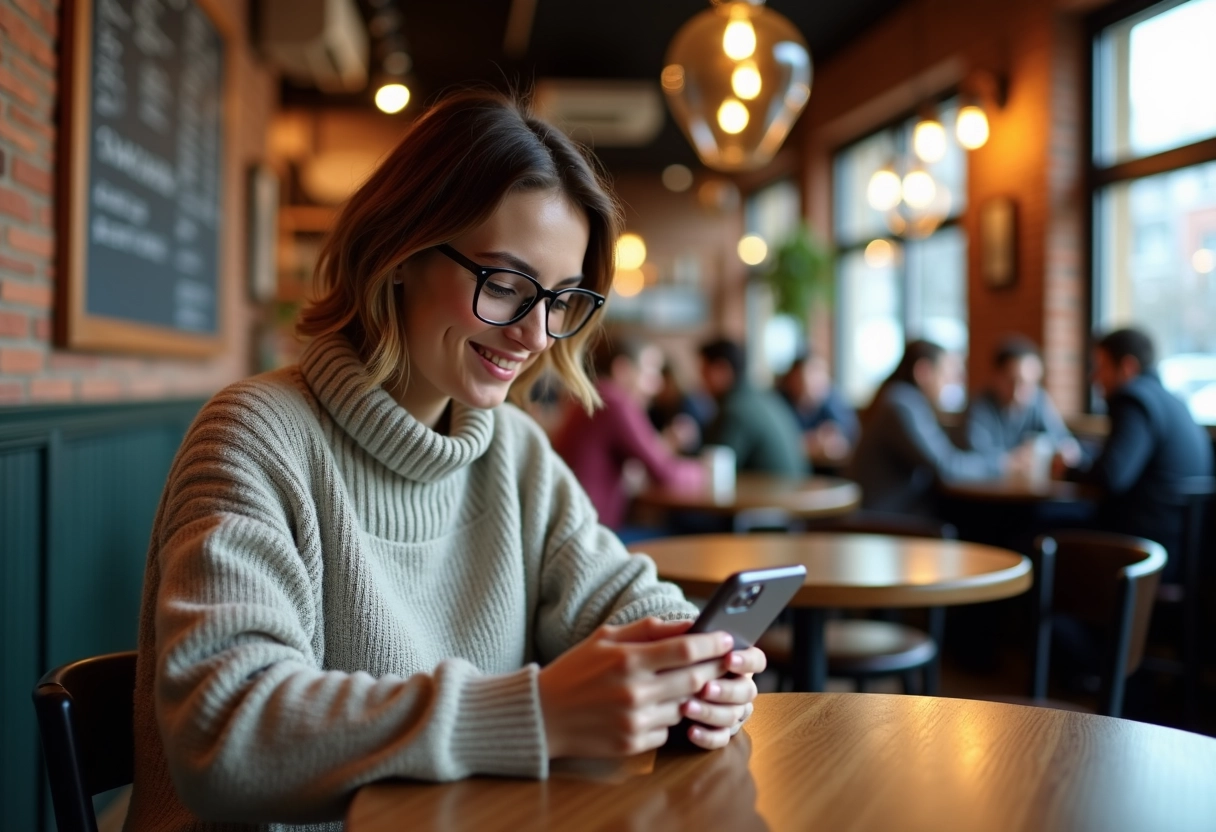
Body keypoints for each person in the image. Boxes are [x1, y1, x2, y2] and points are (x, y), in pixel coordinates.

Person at [125, 91, 763, 831]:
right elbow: (225, 734)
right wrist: (538, 714)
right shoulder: (256, 435)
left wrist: (697, 662)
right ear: (400, 254)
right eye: (505, 285)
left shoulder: (514, 451)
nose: (535, 335)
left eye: (561, 300)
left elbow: (626, 599)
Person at [1058, 328, 1213, 577]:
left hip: (1145, 550)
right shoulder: (1173, 401)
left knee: (1033, 534)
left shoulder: (1134, 399)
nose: (1093, 377)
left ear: (1127, 367)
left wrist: (1068, 469)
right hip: (1182, 549)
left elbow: (1112, 476)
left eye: (1101, 367)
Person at [554, 334, 704, 531]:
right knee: (686, 538)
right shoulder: (614, 401)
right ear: (622, 370)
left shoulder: (591, 395)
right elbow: (665, 472)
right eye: (650, 373)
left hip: (574, 525)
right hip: (593, 534)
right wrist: (704, 473)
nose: (657, 385)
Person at [848, 340, 1011, 517]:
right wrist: (1003, 463)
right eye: (945, 375)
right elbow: (945, 465)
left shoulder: (904, 400)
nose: (949, 384)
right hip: (888, 519)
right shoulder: (901, 404)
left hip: (901, 512)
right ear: (923, 372)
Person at [698, 338, 806, 476]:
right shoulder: (763, 398)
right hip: (793, 491)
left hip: (771, 496)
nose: (701, 382)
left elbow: (713, 469)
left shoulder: (735, 410)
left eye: (704, 372)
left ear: (722, 370)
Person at [965, 336, 1080, 465]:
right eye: (1011, 382)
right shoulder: (979, 405)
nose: (1018, 392)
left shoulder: (1038, 400)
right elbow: (976, 456)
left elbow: (1064, 442)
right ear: (995, 377)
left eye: (1028, 384)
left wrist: (1042, 448)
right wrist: (1013, 459)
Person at [777, 352, 860, 463]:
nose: (813, 381)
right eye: (807, 375)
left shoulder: (833, 401)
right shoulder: (779, 403)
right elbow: (779, 442)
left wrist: (832, 439)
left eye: (818, 375)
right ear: (791, 379)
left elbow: (849, 437)